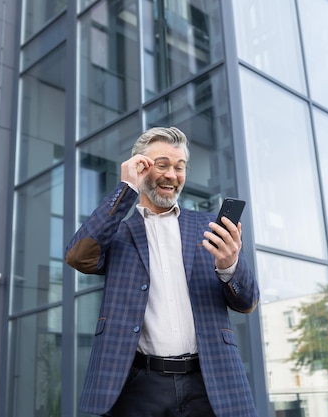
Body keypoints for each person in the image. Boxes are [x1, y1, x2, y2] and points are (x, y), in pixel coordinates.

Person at [65, 126, 260, 417]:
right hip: (139, 385)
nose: (172, 175)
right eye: (162, 165)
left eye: (180, 167)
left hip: (210, 383)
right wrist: (126, 188)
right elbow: (78, 256)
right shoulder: (117, 233)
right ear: (140, 167)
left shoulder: (209, 228)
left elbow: (247, 302)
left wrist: (229, 264)